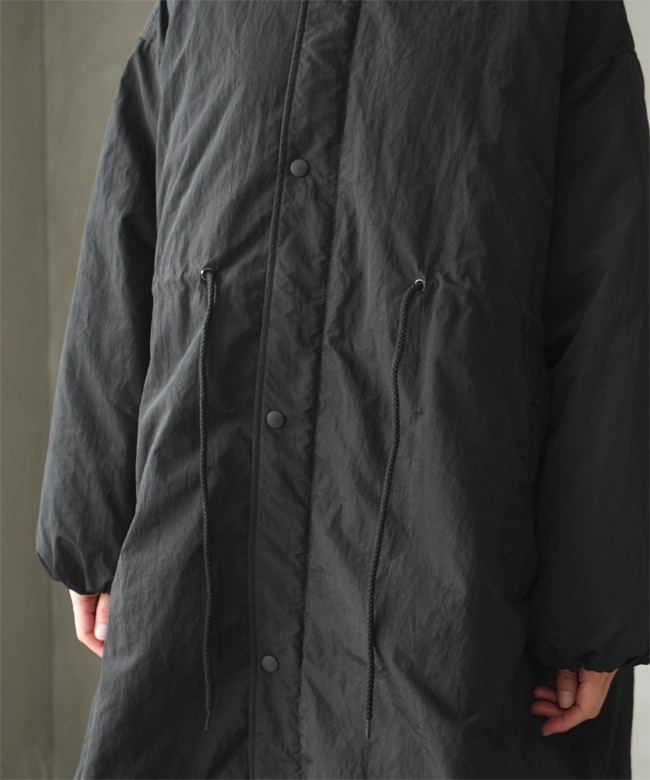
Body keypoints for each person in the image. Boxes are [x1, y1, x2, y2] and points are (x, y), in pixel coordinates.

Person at [36, 0, 649, 778]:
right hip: (203, 563)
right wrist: (89, 521)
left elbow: (610, 301)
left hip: (442, 590)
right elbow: (122, 247)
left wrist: (596, 607)